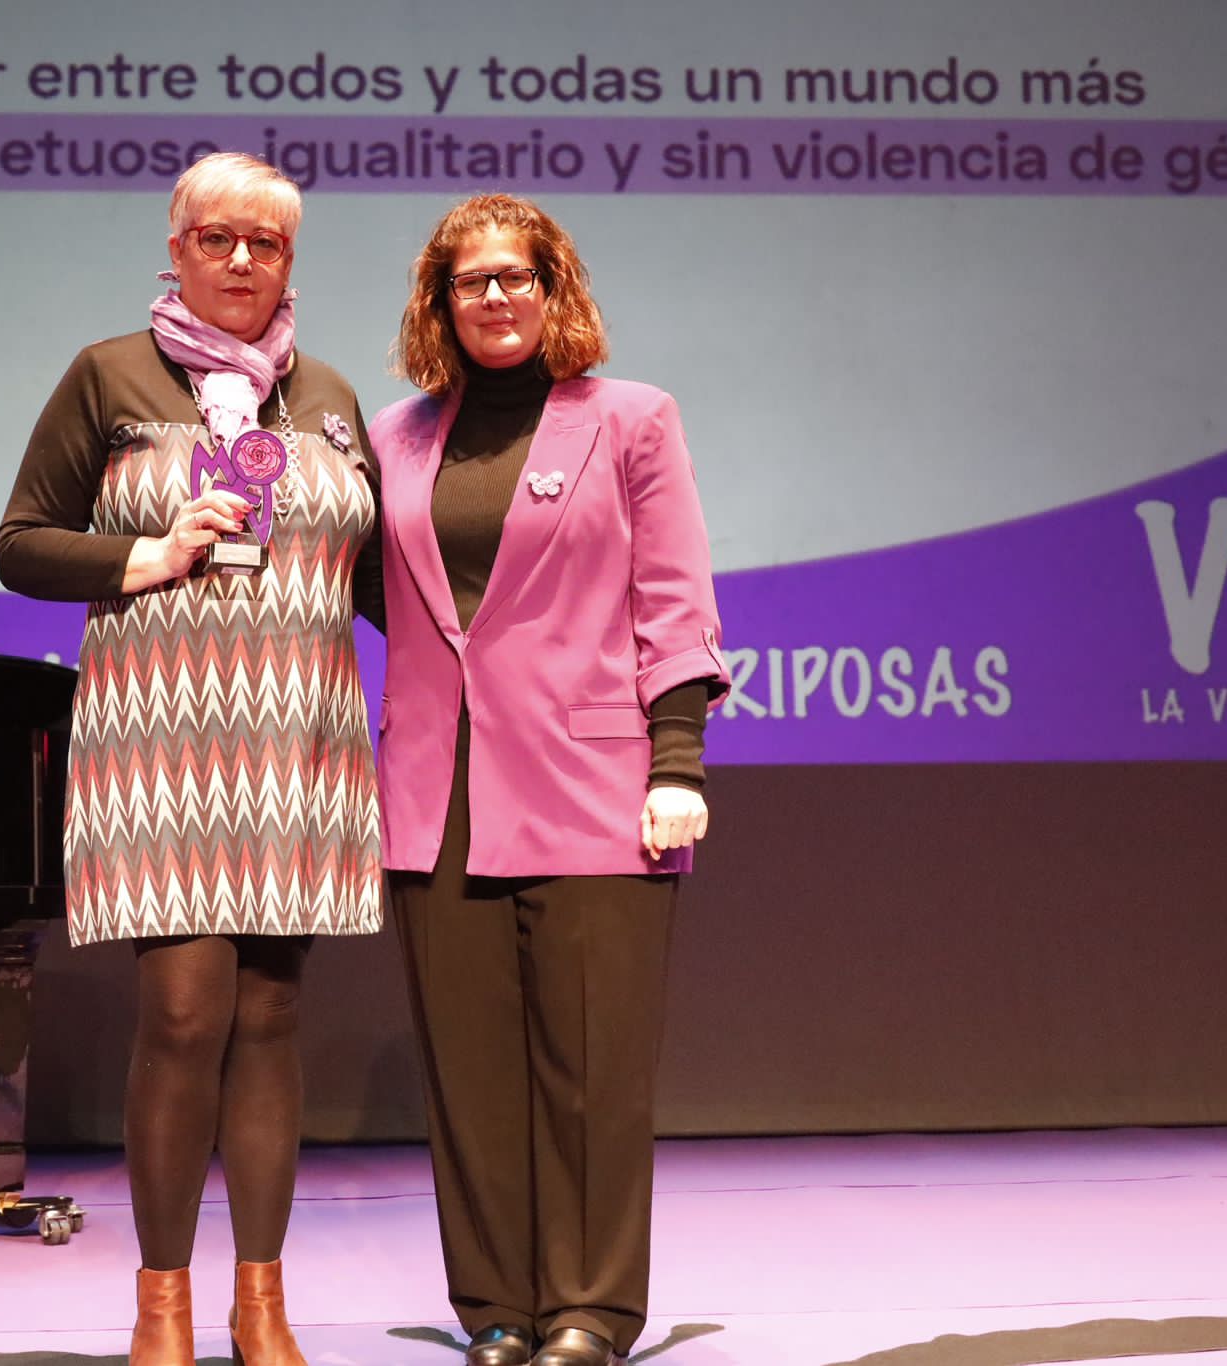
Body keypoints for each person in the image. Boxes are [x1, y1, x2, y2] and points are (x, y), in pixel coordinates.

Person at [0, 152, 381, 1366]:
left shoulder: (327, 394)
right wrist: (149, 556)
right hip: (160, 740)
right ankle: (160, 1304)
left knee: (271, 1016)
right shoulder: (108, 374)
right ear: (175, 249)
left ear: (289, 260)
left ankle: (260, 1304)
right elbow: (20, 543)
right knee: (181, 1012)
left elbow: (379, 577)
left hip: (299, 737)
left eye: (264, 243)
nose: (240, 260)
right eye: (216, 238)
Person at [370, 195, 729, 1366]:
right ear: (439, 303)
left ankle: (589, 1309)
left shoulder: (630, 420)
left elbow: (673, 599)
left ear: (552, 288)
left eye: (514, 276)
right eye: (469, 280)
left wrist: (676, 761)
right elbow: (387, 596)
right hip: (436, 797)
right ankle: (496, 1306)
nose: (494, 297)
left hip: (594, 785)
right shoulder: (392, 436)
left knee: (590, 1073)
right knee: (468, 1075)